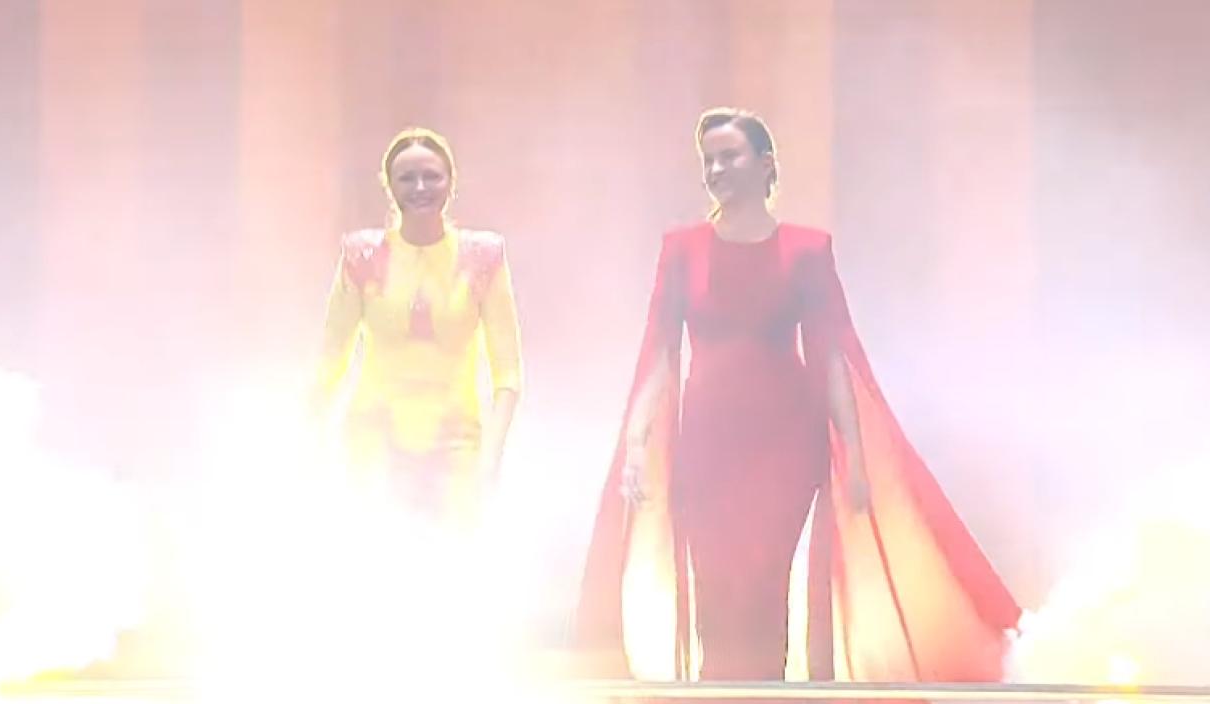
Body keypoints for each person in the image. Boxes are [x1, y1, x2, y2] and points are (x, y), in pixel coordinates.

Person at [572, 108, 1019, 685]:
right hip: (707, 443)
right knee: (714, 583)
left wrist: (854, 458)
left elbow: (832, 357)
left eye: (729, 156)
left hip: (783, 445)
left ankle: (764, 690)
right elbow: (657, 354)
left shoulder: (807, 250)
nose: (716, 169)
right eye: (708, 160)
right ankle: (717, 691)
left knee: (764, 580)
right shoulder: (682, 250)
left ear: (765, 165)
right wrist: (637, 444)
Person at [311, 126, 523, 528]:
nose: (420, 187)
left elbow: (508, 375)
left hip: (458, 441)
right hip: (374, 436)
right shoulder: (361, 256)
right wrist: (314, 442)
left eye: (431, 176)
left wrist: (492, 456)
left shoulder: (484, 257)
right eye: (407, 178)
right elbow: (330, 363)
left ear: (451, 182)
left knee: (452, 555)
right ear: (389, 185)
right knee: (381, 547)